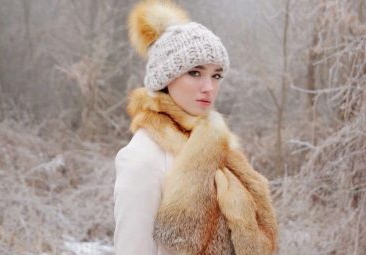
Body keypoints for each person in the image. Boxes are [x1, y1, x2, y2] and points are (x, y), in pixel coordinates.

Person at [113, 1, 278, 254]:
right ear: (166, 78)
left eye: (216, 75)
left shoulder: (215, 145)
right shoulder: (143, 159)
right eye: (195, 72)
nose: (209, 87)